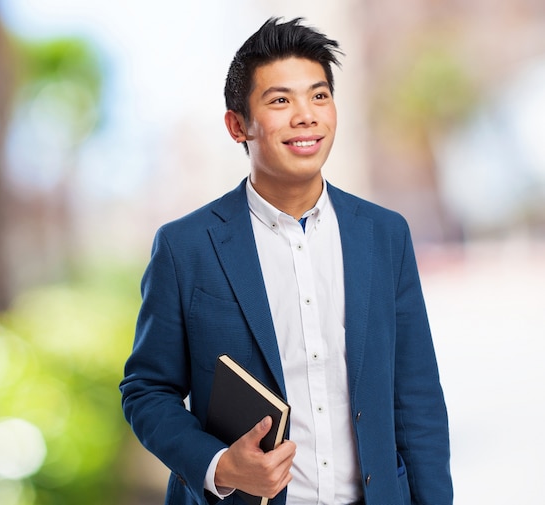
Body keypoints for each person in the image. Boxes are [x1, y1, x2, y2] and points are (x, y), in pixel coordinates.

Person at [120, 17, 452, 505]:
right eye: (280, 100)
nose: (306, 115)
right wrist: (219, 466)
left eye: (319, 96)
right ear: (238, 125)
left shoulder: (384, 235)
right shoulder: (185, 247)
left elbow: (417, 397)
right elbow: (147, 390)